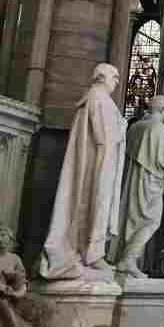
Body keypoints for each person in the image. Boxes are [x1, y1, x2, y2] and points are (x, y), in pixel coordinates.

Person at [39, 63, 127, 280]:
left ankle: (89, 251)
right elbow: (104, 139)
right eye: (114, 77)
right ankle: (93, 254)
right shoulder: (100, 99)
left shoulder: (93, 98)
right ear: (102, 77)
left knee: (90, 206)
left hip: (94, 162)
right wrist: (121, 130)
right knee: (96, 205)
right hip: (99, 164)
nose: (116, 81)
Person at [112, 95, 164, 277]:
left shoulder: (135, 127)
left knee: (130, 218)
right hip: (151, 183)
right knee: (151, 221)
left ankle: (121, 257)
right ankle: (128, 258)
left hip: (131, 179)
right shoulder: (161, 130)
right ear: (163, 110)